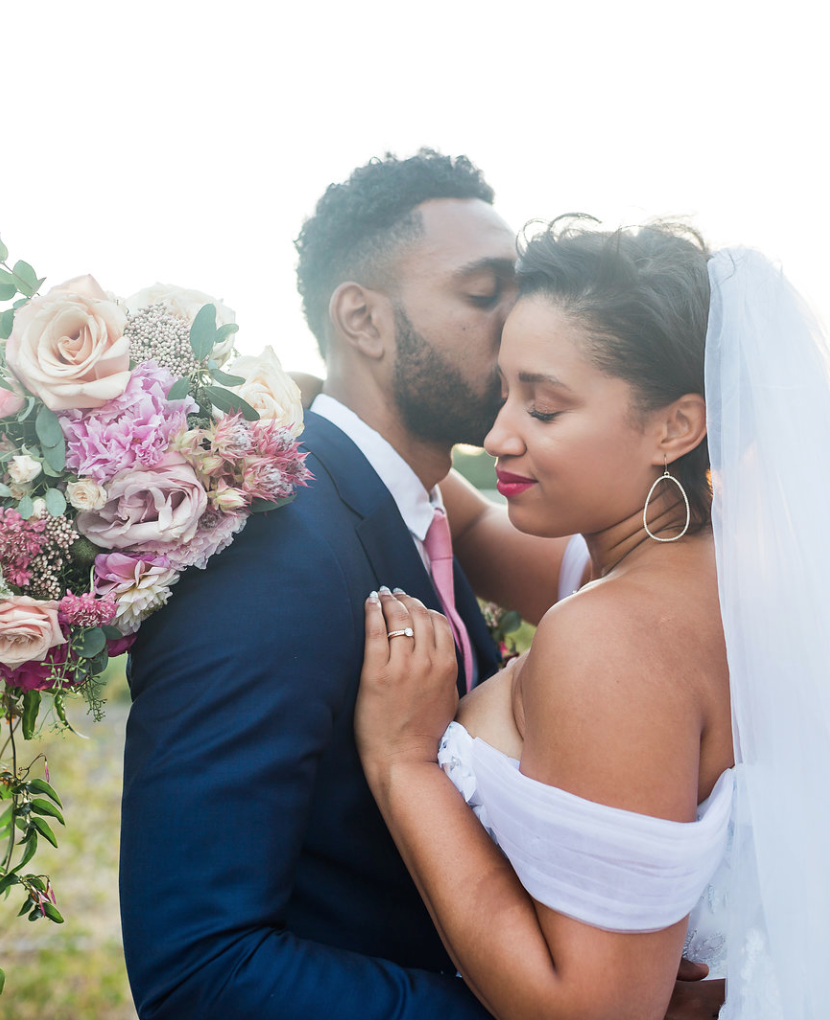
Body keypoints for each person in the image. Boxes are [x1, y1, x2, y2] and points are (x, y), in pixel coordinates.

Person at [354, 220, 830, 1019]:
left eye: (546, 407)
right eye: (505, 391)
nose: (498, 435)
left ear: (677, 425)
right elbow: (481, 530)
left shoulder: (613, 638)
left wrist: (404, 764)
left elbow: (591, 1011)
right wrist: (324, 412)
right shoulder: (714, 576)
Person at [118, 150, 537, 1019]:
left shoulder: (418, 512)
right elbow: (201, 969)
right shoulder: (269, 558)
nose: (525, 321)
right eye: (483, 291)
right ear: (365, 320)